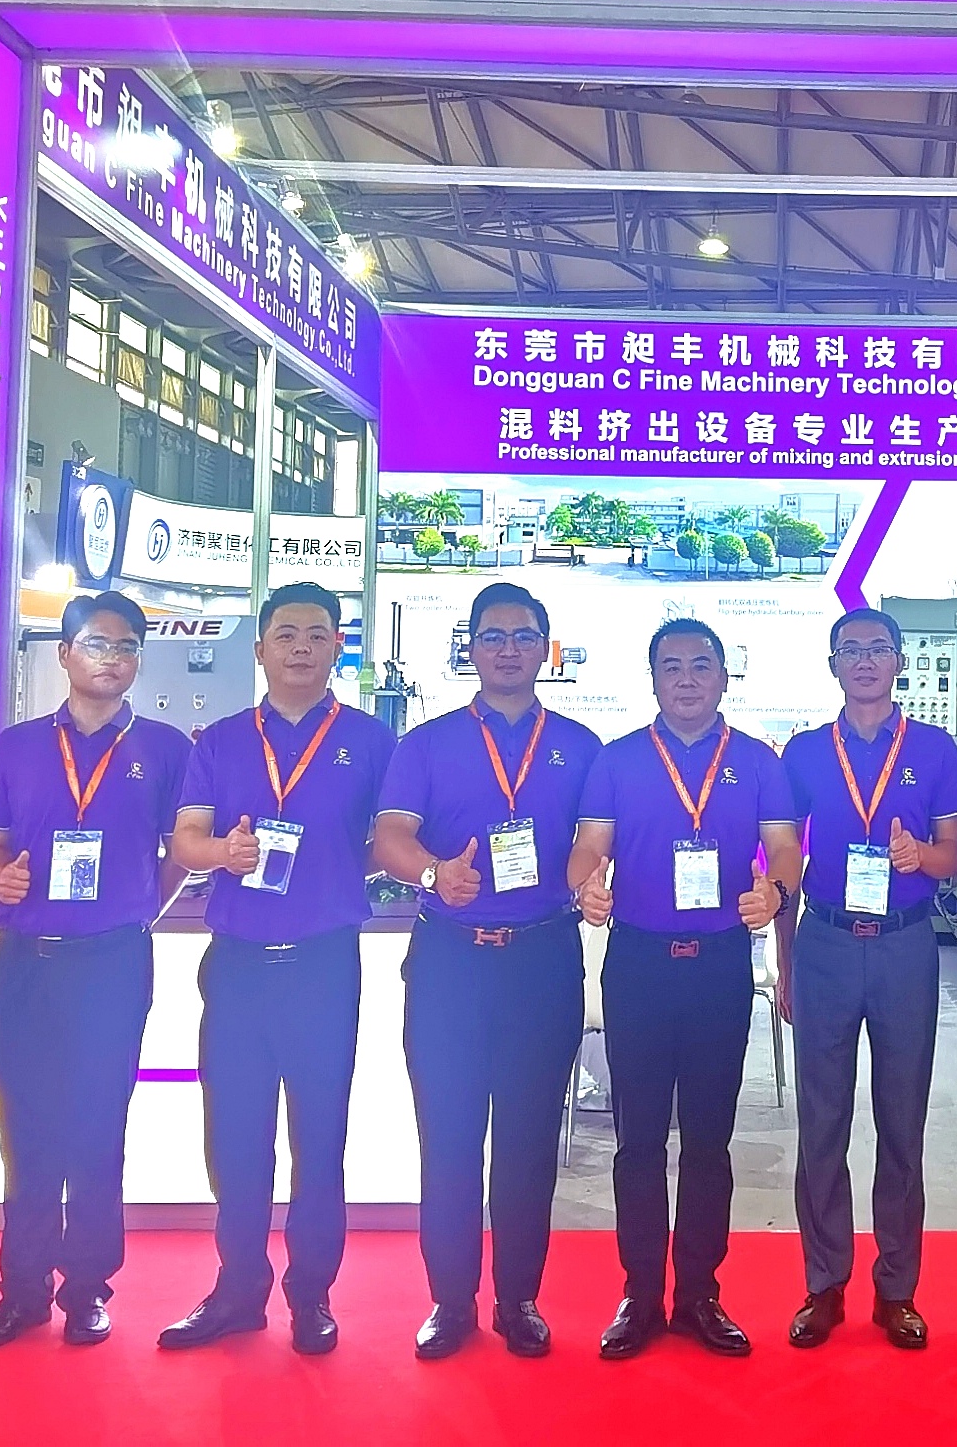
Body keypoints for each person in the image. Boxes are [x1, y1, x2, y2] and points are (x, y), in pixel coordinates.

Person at [159, 583, 393, 1357]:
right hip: (238, 968)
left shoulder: (371, 741)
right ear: (259, 649)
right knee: (236, 1140)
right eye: (285, 634)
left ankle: (312, 1295)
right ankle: (238, 1289)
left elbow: (393, 839)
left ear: (337, 649)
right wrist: (221, 853)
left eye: (317, 634)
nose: (301, 647)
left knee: (319, 1140)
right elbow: (185, 840)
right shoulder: (221, 741)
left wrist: (347, 868)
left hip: (325, 966)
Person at [374, 583, 603, 1361]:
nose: (508, 649)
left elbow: (593, 842)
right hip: (450, 963)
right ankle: (449, 1301)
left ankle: (518, 1299)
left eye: (524, 636)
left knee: (529, 1141)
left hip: (541, 960)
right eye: (493, 636)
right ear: (470, 648)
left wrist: (590, 880)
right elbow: (390, 837)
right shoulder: (428, 744)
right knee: (447, 1137)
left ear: (546, 649)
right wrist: (434, 873)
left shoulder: (580, 746)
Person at [0, 591, 191, 1349]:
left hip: (112, 966)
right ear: (63, 654)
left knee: (98, 1132)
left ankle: (88, 1289)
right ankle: (21, 1292)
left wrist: (137, 912)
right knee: (24, 1133)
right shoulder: (15, 748)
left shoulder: (166, 750)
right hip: (23, 964)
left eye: (126, 647)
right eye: (96, 643)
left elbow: (180, 854)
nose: (111, 658)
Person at [568, 618, 802, 1360]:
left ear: (724, 678)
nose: (688, 678)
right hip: (639, 963)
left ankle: (700, 1293)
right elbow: (588, 846)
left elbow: (785, 849)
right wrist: (584, 884)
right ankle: (640, 1294)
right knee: (638, 1141)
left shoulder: (758, 761)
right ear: (654, 679)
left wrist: (776, 893)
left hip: (719, 964)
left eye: (702, 665)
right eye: (672, 666)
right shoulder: (617, 760)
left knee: (708, 1140)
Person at [779, 607, 957, 1352]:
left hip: (904, 947)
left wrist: (922, 856)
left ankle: (897, 1290)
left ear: (900, 663)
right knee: (821, 1122)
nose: (864, 661)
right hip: (824, 942)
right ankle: (824, 1285)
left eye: (878, 649)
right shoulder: (803, 753)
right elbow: (783, 862)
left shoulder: (935, 749)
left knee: (902, 1120)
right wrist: (786, 962)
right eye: (850, 650)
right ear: (833, 664)